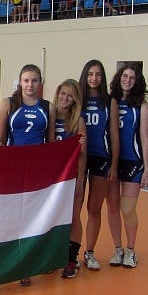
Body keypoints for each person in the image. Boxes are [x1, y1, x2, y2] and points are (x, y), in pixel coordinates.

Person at [0, 64, 55, 285]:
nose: (30, 85)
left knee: (35, 215)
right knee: (16, 216)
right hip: (14, 168)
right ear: (20, 82)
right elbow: (0, 139)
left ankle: (33, 261)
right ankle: (17, 264)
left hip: (38, 170)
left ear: (40, 83)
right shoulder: (9, 103)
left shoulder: (48, 107)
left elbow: (51, 142)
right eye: (26, 80)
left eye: (34, 80)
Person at [78, 60, 121, 271]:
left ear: (103, 77)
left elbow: (114, 134)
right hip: (79, 158)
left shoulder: (109, 101)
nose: (94, 78)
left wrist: (114, 164)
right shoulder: (79, 98)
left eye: (98, 74)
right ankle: (70, 254)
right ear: (85, 76)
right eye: (90, 74)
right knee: (73, 209)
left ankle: (90, 252)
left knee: (94, 209)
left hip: (101, 157)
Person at [109, 63, 148, 269]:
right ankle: (118, 249)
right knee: (113, 208)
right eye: (125, 76)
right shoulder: (111, 102)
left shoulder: (141, 105)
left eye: (132, 77)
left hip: (133, 162)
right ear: (119, 78)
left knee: (127, 209)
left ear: (137, 81)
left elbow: (145, 138)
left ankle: (131, 250)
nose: (128, 80)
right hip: (112, 161)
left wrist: (147, 169)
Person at [52, 80, 88, 278]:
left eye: (70, 95)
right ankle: (51, 257)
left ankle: (71, 260)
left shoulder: (78, 121)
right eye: (63, 93)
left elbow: (82, 154)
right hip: (52, 178)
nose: (65, 98)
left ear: (76, 100)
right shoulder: (49, 115)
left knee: (73, 217)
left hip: (71, 177)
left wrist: (80, 180)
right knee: (52, 217)